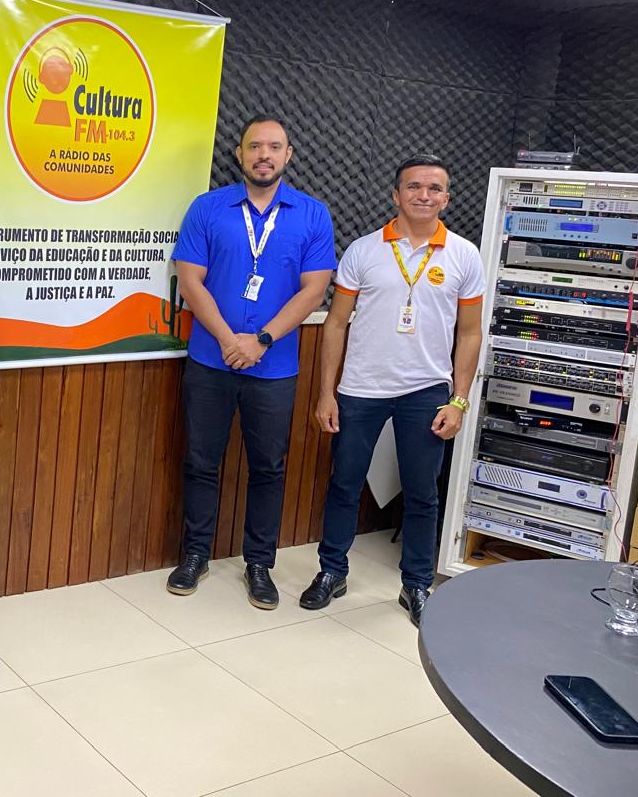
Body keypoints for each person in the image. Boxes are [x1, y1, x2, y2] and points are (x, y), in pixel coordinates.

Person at [302, 155, 483, 626]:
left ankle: (417, 584)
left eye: (434, 188)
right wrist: (327, 393)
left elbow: (469, 333)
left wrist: (459, 400)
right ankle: (332, 571)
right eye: (414, 186)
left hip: (427, 390)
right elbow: (335, 323)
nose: (424, 195)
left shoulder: (464, 255)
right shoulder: (363, 251)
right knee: (344, 484)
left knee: (422, 493)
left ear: (447, 198)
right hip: (361, 388)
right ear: (395, 194)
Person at [166, 115, 336, 606]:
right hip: (210, 361)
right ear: (239, 154)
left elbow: (315, 290)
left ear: (288, 155)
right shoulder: (208, 208)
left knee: (268, 469)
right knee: (201, 462)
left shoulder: (312, 214)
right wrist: (228, 340)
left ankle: (259, 563)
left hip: (274, 369)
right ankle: (195, 554)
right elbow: (190, 280)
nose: (264, 155)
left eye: (274, 147)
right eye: (255, 146)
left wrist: (260, 340)